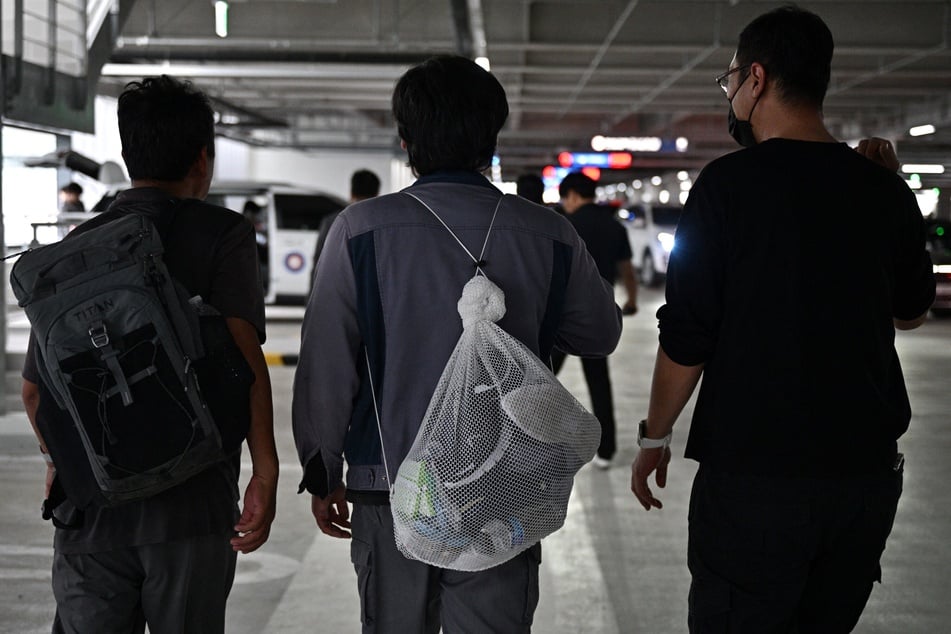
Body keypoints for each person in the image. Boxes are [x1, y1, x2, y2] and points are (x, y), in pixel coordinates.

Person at [629, 6, 936, 632]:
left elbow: (688, 336)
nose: (732, 91)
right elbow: (910, 313)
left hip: (755, 478)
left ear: (757, 79)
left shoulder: (726, 187)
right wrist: (889, 194)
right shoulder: (883, 186)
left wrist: (655, 436)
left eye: (731, 78)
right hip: (862, 478)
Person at [293, 54, 621, 633]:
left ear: (405, 139)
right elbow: (600, 333)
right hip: (504, 485)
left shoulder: (360, 230)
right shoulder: (547, 231)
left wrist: (323, 469)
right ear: (490, 138)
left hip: (392, 484)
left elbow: (327, 366)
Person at [21, 75, 278, 634]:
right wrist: (266, 467)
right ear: (202, 160)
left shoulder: (73, 250)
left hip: (91, 513)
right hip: (191, 510)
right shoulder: (224, 235)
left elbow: (35, 391)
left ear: (126, 152)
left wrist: (59, 460)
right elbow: (244, 356)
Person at [552, 170, 638, 469]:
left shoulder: (565, 225)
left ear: (573, 195)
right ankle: (606, 450)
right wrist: (632, 299)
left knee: (542, 377)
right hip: (598, 317)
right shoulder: (614, 227)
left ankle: (532, 442)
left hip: (561, 317)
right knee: (599, 382)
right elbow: (626, 267)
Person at [311, 168, 381, 280]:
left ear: (351, 192)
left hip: (338, 287)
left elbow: (319, 262)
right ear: (377, 194)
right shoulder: (383, 222)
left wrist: (312, 295)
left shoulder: (333, 221)